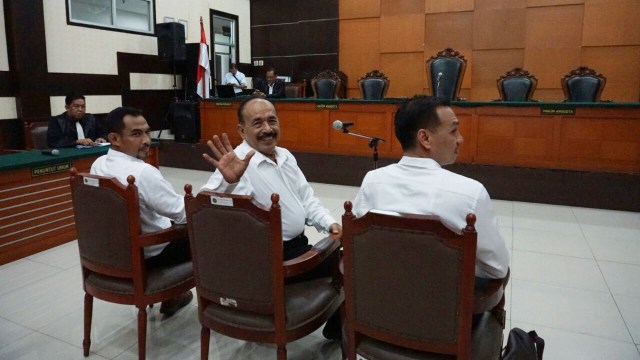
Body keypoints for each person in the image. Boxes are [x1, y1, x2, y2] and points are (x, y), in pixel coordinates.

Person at [200, 96, 342, 339]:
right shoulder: (236, 164)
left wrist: (330, 223)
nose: (267, 129)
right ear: (241, 130)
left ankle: (336, 327)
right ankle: (341, 331)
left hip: (296, 248)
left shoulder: (285, 155)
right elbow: (203, 209)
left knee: (345, 251)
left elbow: (307, 199)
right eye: (257, 123)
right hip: (267, 260)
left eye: (272, 121)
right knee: (347, 264)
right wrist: (227, 182)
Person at [352, 95, 509, 280]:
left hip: (381, 296)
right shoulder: (471, 193)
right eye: (453, 131)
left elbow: (357, 245)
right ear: (425, 138)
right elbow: (497, 268)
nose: (460, 139)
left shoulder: (373, 181)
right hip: (444, 303)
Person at [91, 106, 192, 316]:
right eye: (136, 134)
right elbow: (184, 213)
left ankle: (172, 296)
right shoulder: (143, 173)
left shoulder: (98, 165)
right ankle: (224, 302)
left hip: (112, 253)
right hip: (151, 254)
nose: (146, 140)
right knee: (209, 230)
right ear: (114, 138)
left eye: (147, 132)